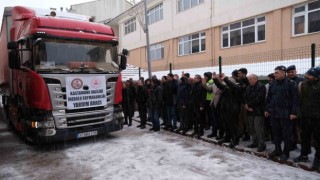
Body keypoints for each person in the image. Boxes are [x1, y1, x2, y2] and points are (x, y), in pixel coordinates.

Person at [265, 65, 298, 161]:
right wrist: (267, 109)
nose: (275, 74)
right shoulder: (273, 84)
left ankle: (285, 153)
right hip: (274, 113)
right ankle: (277, 150)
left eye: (277, 72)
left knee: (286, 134)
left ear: (283, 73)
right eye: (274, 72)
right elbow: (269, 98)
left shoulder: (291, 84)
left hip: (286, 114)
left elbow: (295, 99)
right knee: (276, 134)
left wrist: (293, 113)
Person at [293, 67, 320, 170]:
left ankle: (318, 158)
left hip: (317, 118)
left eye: (310, 75)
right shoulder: (303, 85)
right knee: (305, 137)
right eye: (307, 74)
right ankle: (304, 155)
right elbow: (299, 99)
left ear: (317, 77)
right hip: (305, 116)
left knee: (318, 139)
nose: (307, 76)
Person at [213, 72, 242, 148]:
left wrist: (225, 79)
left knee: (233, 126)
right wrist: (215, 79)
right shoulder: (226, 88)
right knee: (226, 125)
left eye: (228, 82)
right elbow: (219, 85)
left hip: (232, 110)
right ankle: (227, 138)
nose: (226, 84)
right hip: (225, 109)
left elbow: (232, 86)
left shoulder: (236, 88)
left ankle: (235, 140)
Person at [245, 74, 267, 152]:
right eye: (248, 80)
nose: (249, 81)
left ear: (255, 79)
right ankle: (254, 142)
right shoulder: (248, 87)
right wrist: (247, 106)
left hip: (258, 111)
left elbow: (259, 98)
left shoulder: (261, 87)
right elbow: (246, 97)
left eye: (250, 79)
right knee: (252, 128)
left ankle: (262, 144)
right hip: (249, 110)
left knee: (258, 128)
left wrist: (250, 106)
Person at [238, 68, 250, 141]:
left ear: (244, 74)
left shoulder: (248, 81)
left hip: (245, 103)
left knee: (246, 120)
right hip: (240, 103)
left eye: (240, 73)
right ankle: (241, 133)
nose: (238, 74)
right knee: (240, 120)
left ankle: (247, 134)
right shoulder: (239, 81)